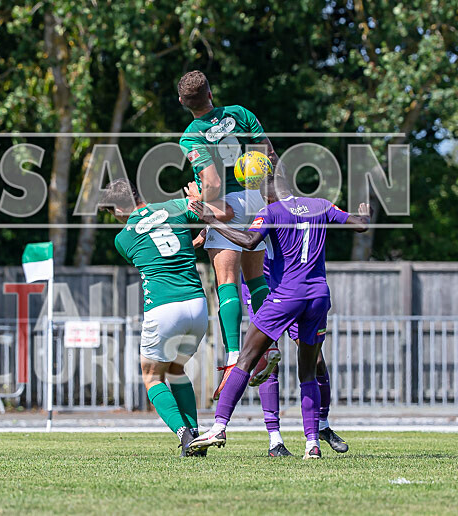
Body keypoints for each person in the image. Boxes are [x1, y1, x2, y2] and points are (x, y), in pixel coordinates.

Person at [187, 171, 370, 459]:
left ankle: (219, 427)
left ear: (267, 194)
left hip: (285, 296)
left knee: (246, 358)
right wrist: (365, 214)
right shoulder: (320, 204)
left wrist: (210, 221)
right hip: (319, 296)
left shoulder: (271, 210)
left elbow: (248, 241)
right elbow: (360, 226)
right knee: (309, 370)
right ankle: (312, 445)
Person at [177, 70, 285, 399]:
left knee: (227, 281)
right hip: (256, 200)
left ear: (182, 102)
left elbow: (211, 184)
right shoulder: (241, 114)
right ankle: (268, 345)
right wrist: (273, 202)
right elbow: (268, 157)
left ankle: (236, 354)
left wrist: (203, 204)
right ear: (210, 93)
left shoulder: (191, 135)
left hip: (226, 204)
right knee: (257, 282)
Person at [100, 179, 208, 456]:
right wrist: (200, 204)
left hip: (163, 308)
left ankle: (184, 435)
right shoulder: (175, 206)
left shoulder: (123, 238)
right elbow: (206, 211)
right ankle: (196, 434)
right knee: (176, 370)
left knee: (152, 376)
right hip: (197, 306)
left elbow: (152, 256)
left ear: (118, 209)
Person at [242, 275, 348, 455]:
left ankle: (322, 425)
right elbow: (248, 246)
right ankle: (275, 440)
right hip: (263, 286)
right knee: (269, 360)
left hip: (295, 287)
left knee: (316, 361)